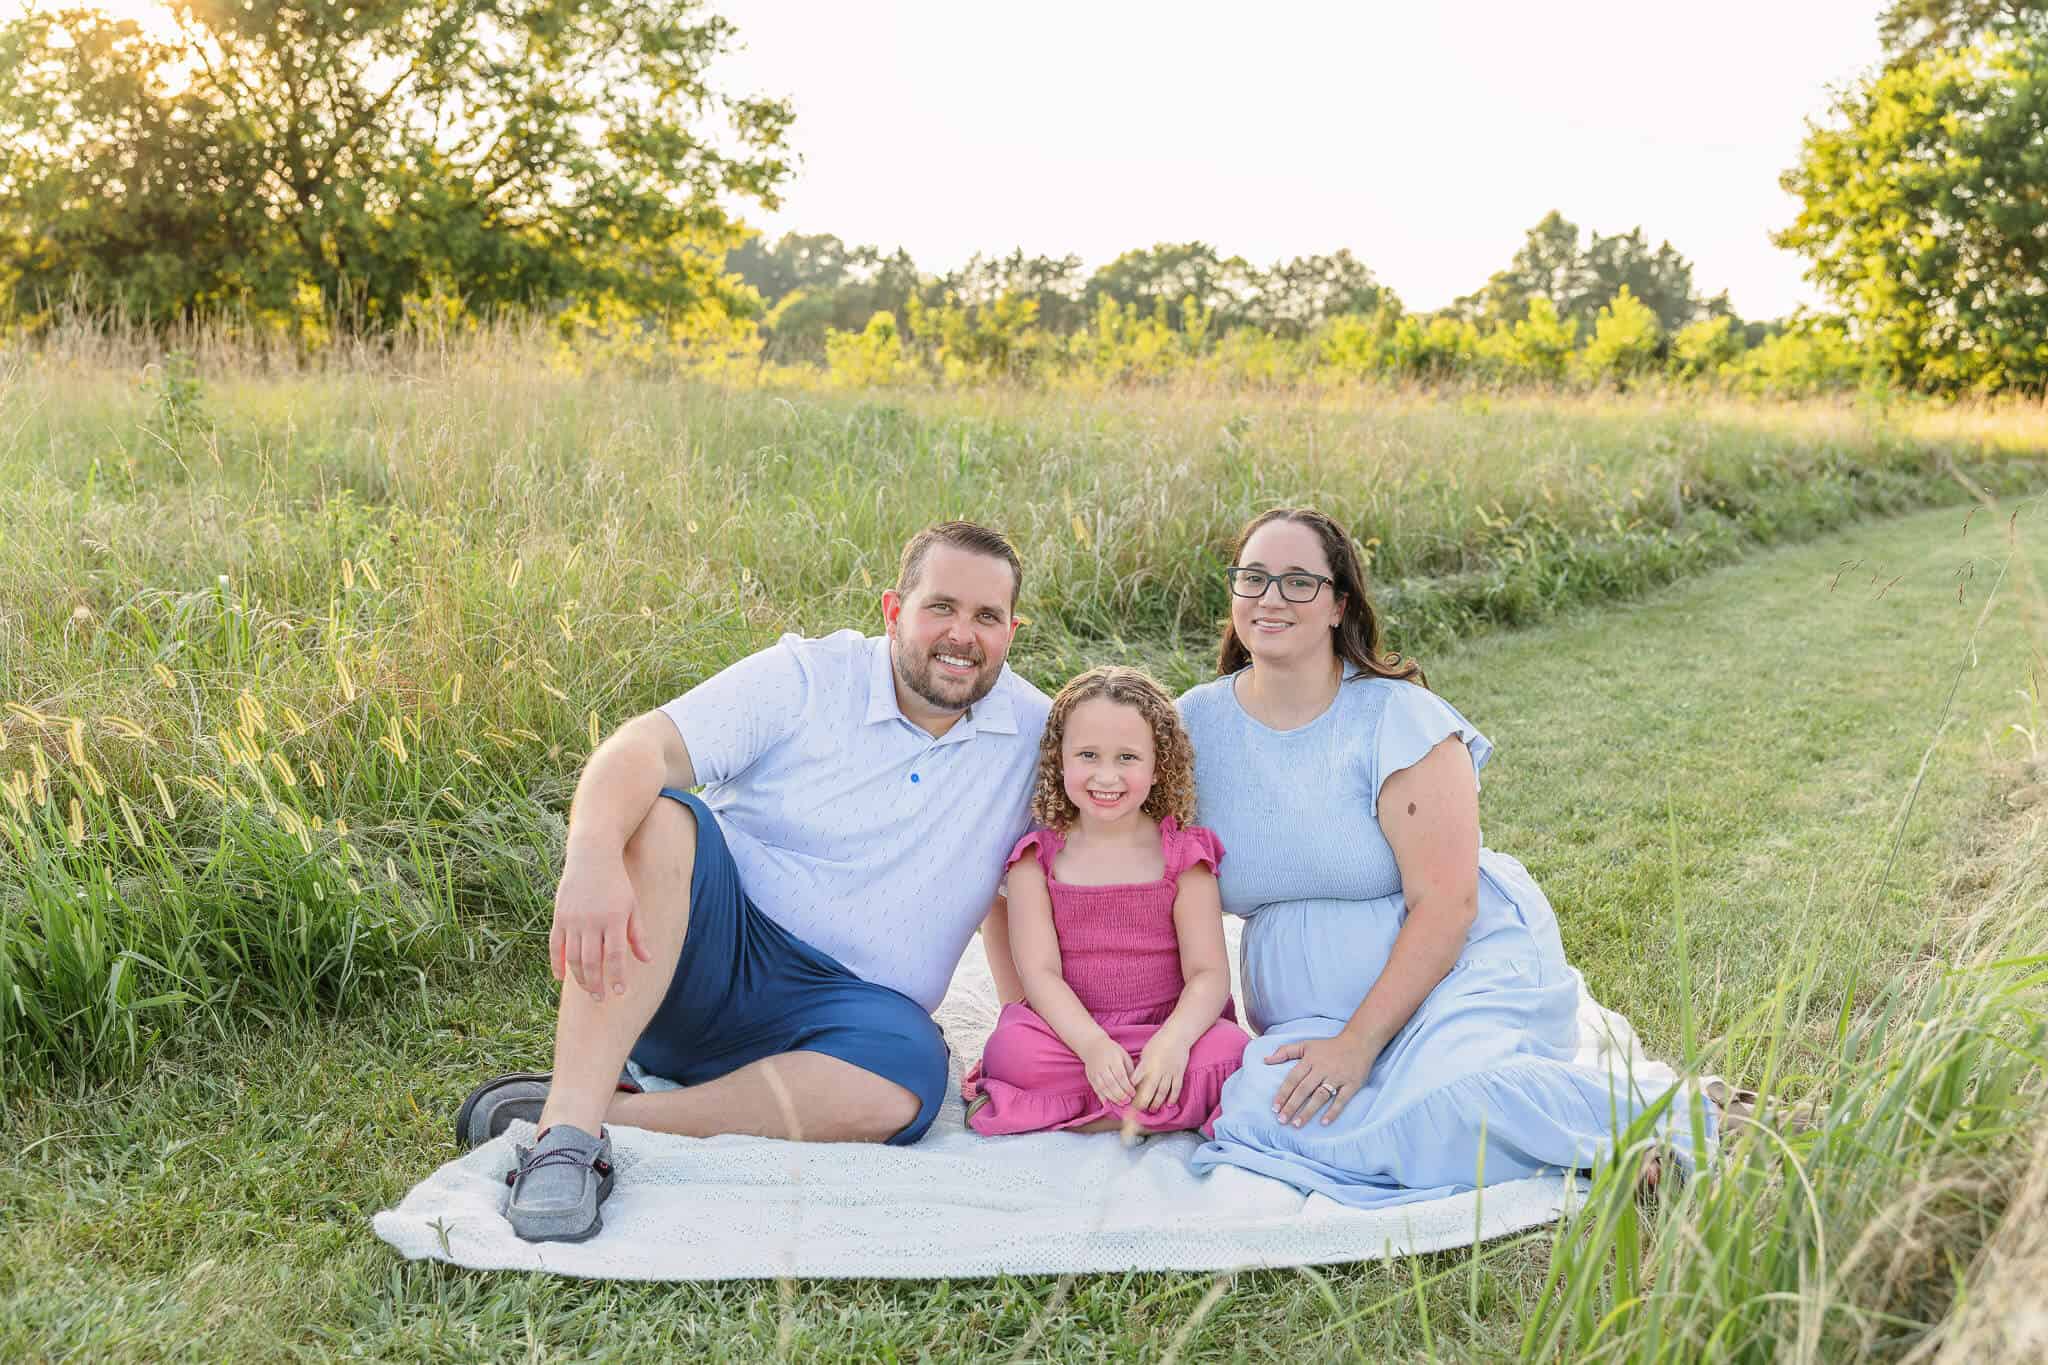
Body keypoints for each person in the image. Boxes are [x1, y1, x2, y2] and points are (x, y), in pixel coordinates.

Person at [452, 521, 1051, 1242]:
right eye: (942, 607)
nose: (963, 634)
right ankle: (566, 1138)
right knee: (666, 817)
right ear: (894, 611)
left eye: (987, 617)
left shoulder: (1035, 735)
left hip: (844, 1019)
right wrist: (591, 855)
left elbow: (1073, 860)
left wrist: (1040, 1023)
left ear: (1012, 630)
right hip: (705, 957)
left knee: (916, 1070)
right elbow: (647, 744)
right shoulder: (807, 677)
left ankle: (613, 1114)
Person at [1175, 507, 1714, 1208]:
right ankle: (1594, 1146)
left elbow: (1448, 903)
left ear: (1340, 604)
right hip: (1308, 1009)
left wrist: (1360, 1045)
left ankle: (1691, 1117)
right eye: (1254, 577)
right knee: (1257, 1113)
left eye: (1299, 581)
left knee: (1456, 1093)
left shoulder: (1397, 717)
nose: (1271, 597)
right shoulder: (1194, 724)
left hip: (1456, 971)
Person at [962, 667, 1250, 1138]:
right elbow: (1040, 975)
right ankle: (1146, 1108)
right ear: (1060, 760)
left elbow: (1209, 974)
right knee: (1011, 1048)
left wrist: (1173, 1044)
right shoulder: (1036, 861)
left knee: (1230, 1050)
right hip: (1070, 1035)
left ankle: (1084, 1110)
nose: (1106, 776)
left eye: (1128, 757)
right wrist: (1093, 1046)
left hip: (1162, 1028)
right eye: (1088, 755)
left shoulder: (1183, 856)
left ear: (1159, 766)